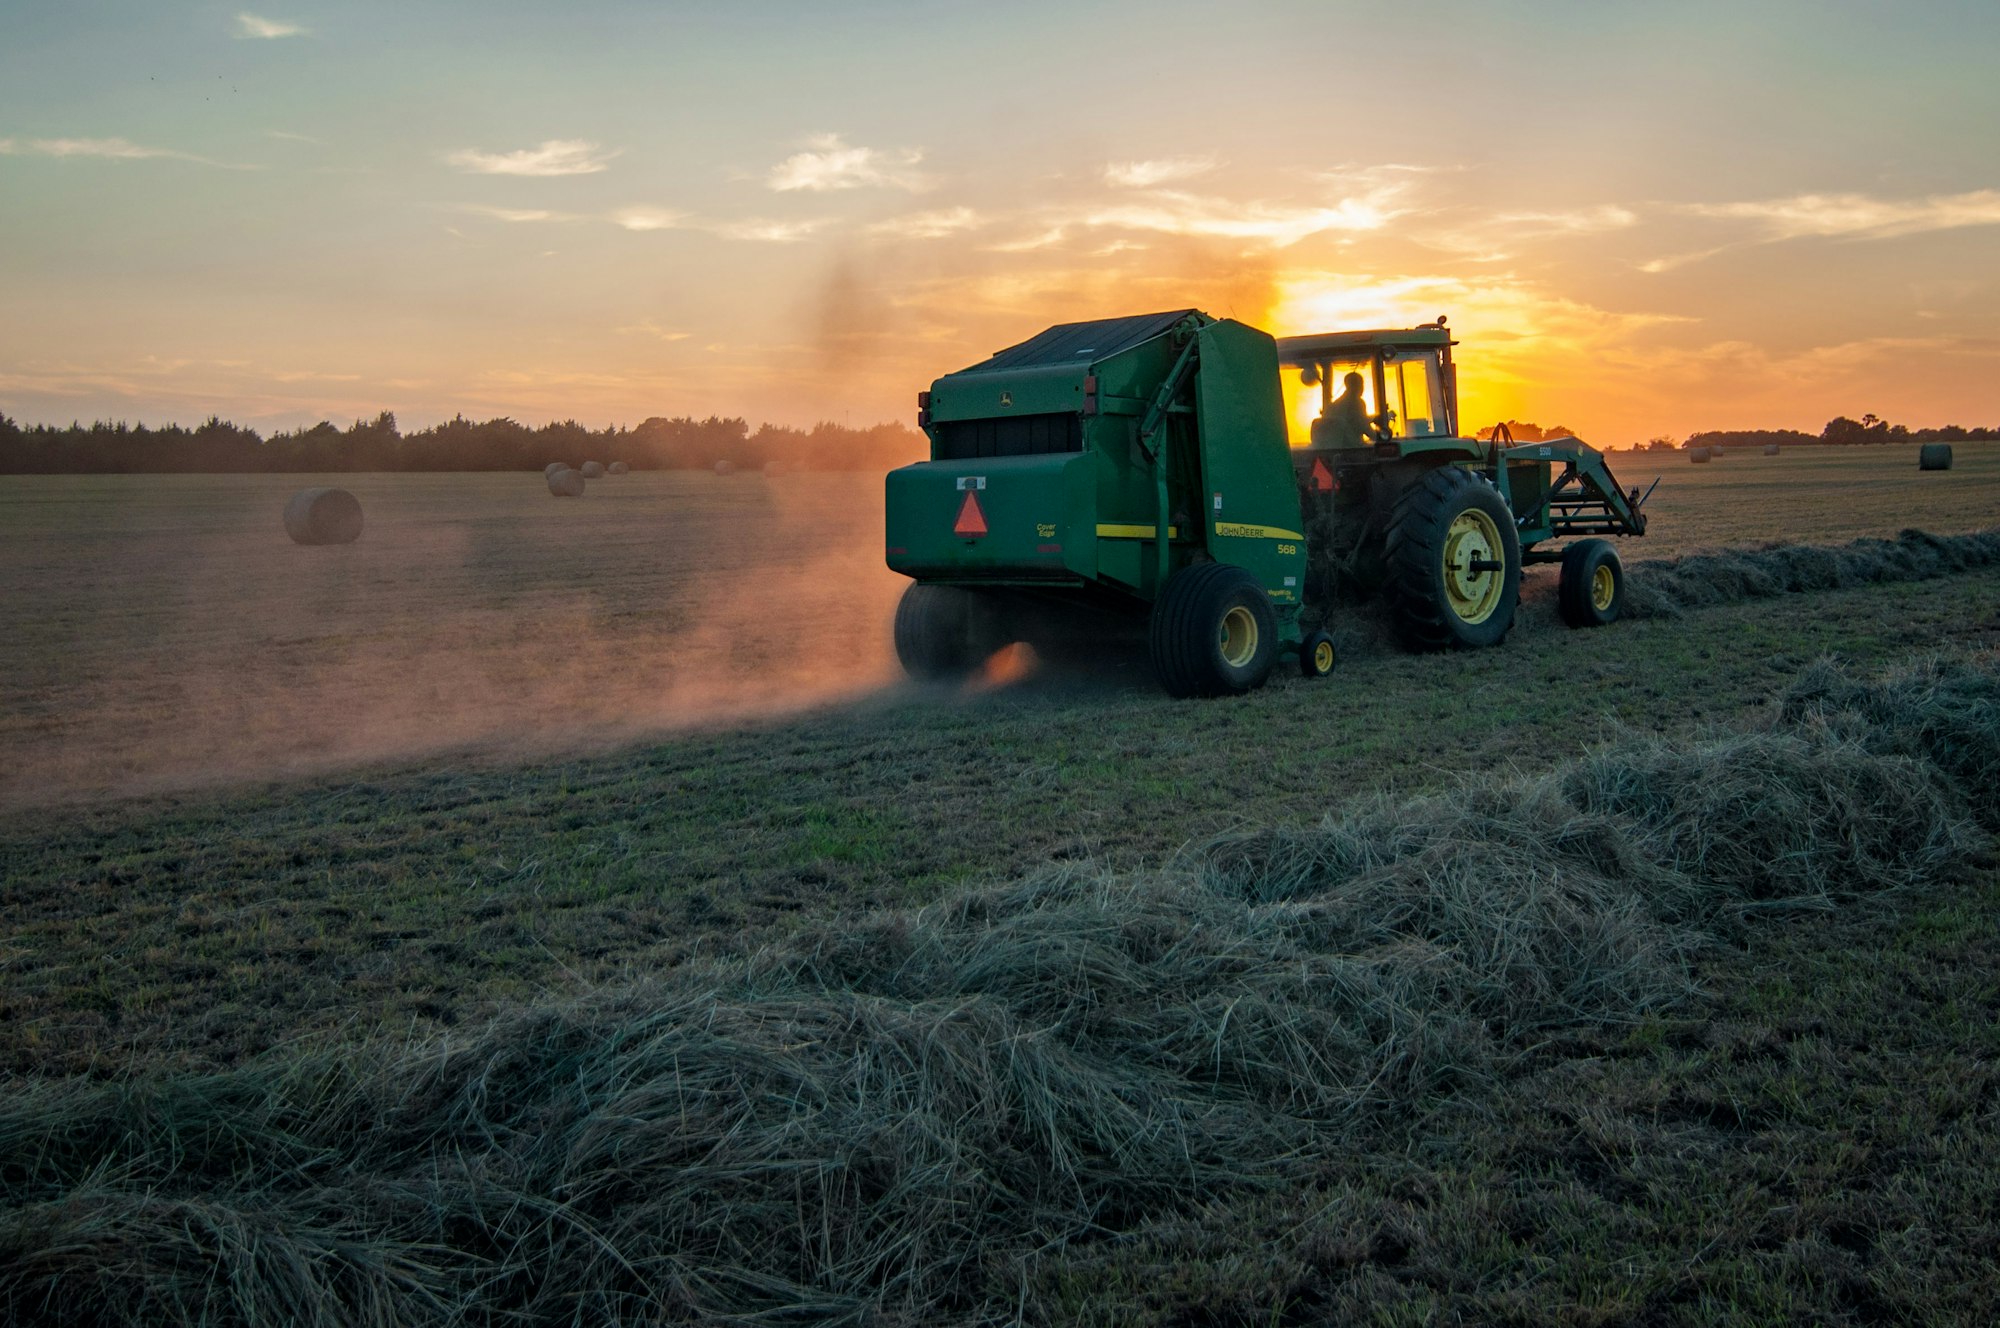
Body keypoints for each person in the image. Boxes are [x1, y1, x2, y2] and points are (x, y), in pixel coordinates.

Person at [1312, 371, 1379, 449]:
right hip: (1353, 447)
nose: (1362, 388)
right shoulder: (1357, 403)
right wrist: (1380, 437)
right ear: (1353, 386)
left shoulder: (1333, 405)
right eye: (1360, 384)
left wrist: (1372, 419)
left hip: (1335, 448)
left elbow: (1358, 420)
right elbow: (1363, 426)